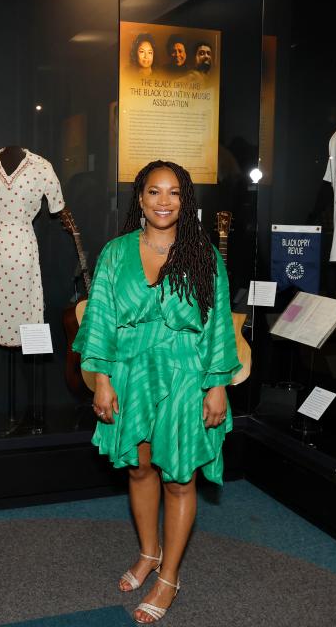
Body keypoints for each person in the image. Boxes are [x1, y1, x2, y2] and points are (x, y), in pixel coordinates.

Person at [73, 161, 240, 623]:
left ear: (185, 201)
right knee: (140, 468)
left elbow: (219, 326)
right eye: (153, 192)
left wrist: (218, 385)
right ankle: (149, 552)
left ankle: (170, 575)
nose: (163, 201)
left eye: (173, 193)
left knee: (179, 477)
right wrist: (102, 379)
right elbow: (101, 316)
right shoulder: (115, 252)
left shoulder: (205, 256)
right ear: (140, 199)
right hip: (130, 373)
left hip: (187, 375)